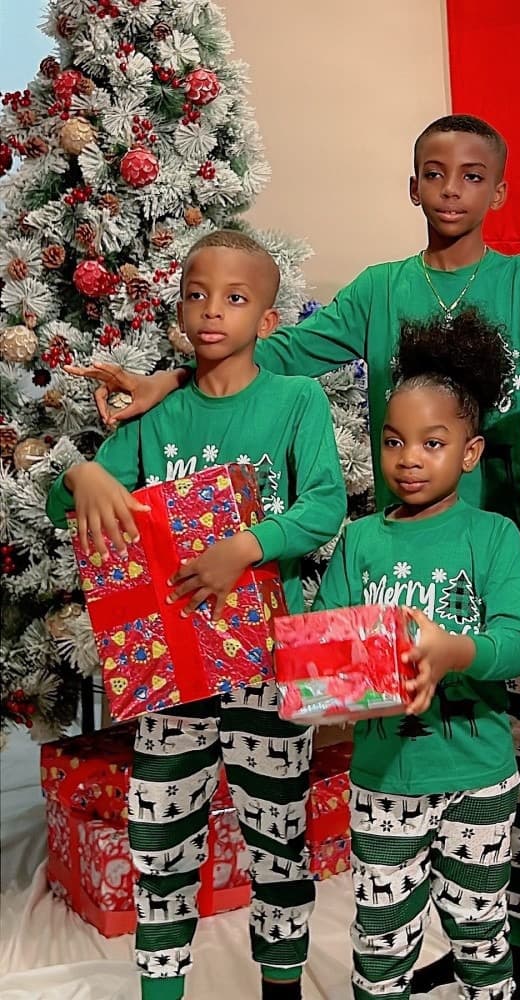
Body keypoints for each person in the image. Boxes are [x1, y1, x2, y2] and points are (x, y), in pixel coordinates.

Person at [65, 116, 520, 996]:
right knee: (416, 759)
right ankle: (426, 943)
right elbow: (263, 349)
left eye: (472, 175)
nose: (451, 189)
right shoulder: (378, 292)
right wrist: (170, 380)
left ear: (499, 191)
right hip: (406, 564)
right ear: (413, 188)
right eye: (433, 174)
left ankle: (503, 960)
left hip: (503, 569)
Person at [47, 230, 347, 1000]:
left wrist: (243, 547)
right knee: (159, 838)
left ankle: (281, 986)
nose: (212, 311)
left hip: (265, 664)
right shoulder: (154, 416)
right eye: (196, 294)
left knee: (278, 834)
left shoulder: (295, 400)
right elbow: (67, 503)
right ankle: (161, 989)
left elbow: (323, 504)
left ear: (269, 320)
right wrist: (81, 472)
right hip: (170, 669)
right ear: (178, 305)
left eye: (236, 298)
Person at [313, 308, 520, 1000]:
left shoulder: (493, 536)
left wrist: (451, 651)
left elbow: (518, 644)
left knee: (478, 932)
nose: (409, 458)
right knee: (380, 944)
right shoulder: (361, 542)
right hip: (384, 778)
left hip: (477, 775)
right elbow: (326, 648)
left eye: (432, 443)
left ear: (469, 453)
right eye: (393, 441)